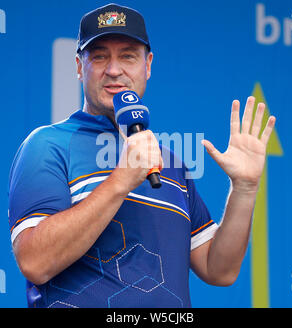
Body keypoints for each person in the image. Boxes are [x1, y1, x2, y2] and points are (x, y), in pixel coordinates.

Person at [8, 3, 276, 308]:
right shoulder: (47, 145)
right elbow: (35, 262)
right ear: (80, 67)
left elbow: (220, 269)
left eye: (127, 56)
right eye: (99, 57)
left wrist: (244, 188)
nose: (113, 69)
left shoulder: (168, 163)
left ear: (147, 65)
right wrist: (121, 180)